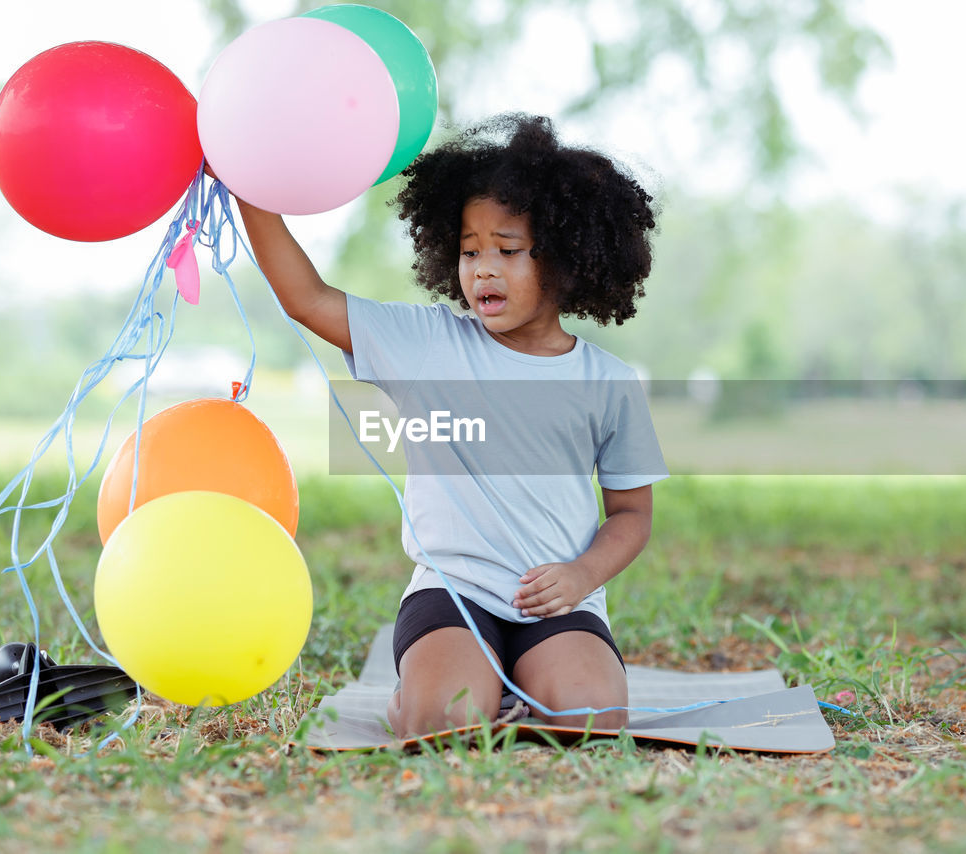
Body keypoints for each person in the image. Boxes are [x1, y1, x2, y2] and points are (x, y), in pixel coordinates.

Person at [235, 113, 667, 738]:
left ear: (570, 257)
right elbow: (309, 298)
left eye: (508, 250)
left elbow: (632, 514)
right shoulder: (428, 344)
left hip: (556, 602)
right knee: (442, 723)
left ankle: (514, 689)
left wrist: (581, 575)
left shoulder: (609, 383)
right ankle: (425, 694)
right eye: (469, 251)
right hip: (453, 595)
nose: (482, 269)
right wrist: (250, 193)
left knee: (593, 717)